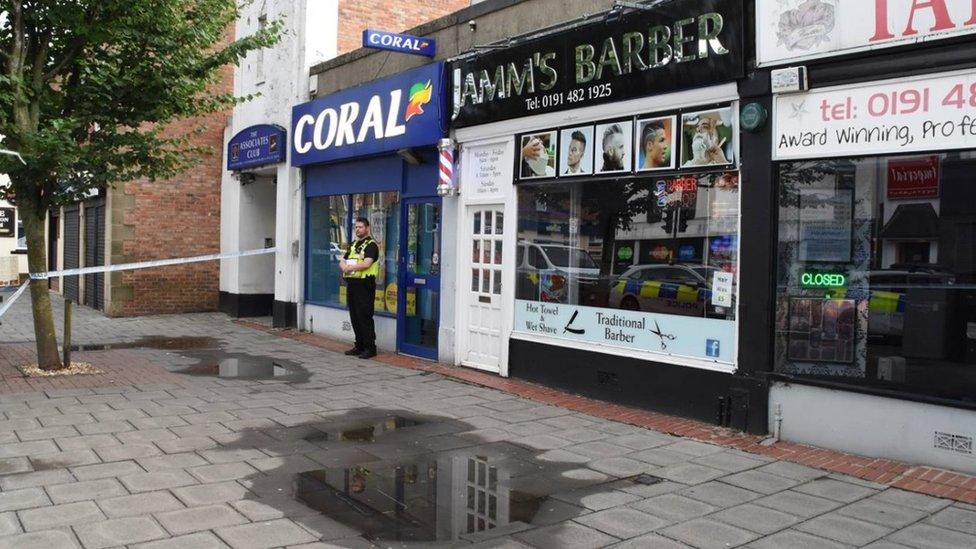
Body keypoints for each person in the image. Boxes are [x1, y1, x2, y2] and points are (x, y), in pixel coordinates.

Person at [340, 217, 380, 359]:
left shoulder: (371, 245)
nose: (357, 229)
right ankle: (359, 345)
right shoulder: (353, 244)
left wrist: (350, 267)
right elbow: (343, 259)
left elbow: (367, 263)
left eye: (360, 227)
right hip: (352, 284)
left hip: (365, 285)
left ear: (367, 228)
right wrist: (343, 266)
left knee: (364, 316)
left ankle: (370, 348)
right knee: (354, 316)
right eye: (356, 227)